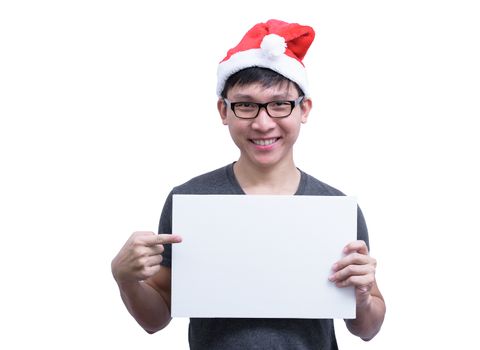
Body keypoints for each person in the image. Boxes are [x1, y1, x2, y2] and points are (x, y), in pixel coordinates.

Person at [111, 19, 386, 349]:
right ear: (223, 111)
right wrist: (126, 279)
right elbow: (157, 318)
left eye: (280, 104)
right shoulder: (192, 200)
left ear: (304, 109)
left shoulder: (335, 208)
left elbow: (367, 329)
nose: (263, 122)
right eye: (245, 105)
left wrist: (363, 296)